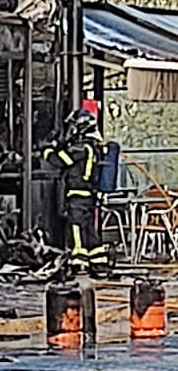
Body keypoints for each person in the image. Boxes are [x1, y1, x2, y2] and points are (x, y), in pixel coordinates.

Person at [42, 110, 109, 278]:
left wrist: (46, 149)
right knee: (88, 229)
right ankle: (99, 264)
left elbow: (59, 160)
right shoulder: (92, 148)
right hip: (88, 196)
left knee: (76, 228)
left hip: (78, 196)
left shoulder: (80, 149)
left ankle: (79, 263)